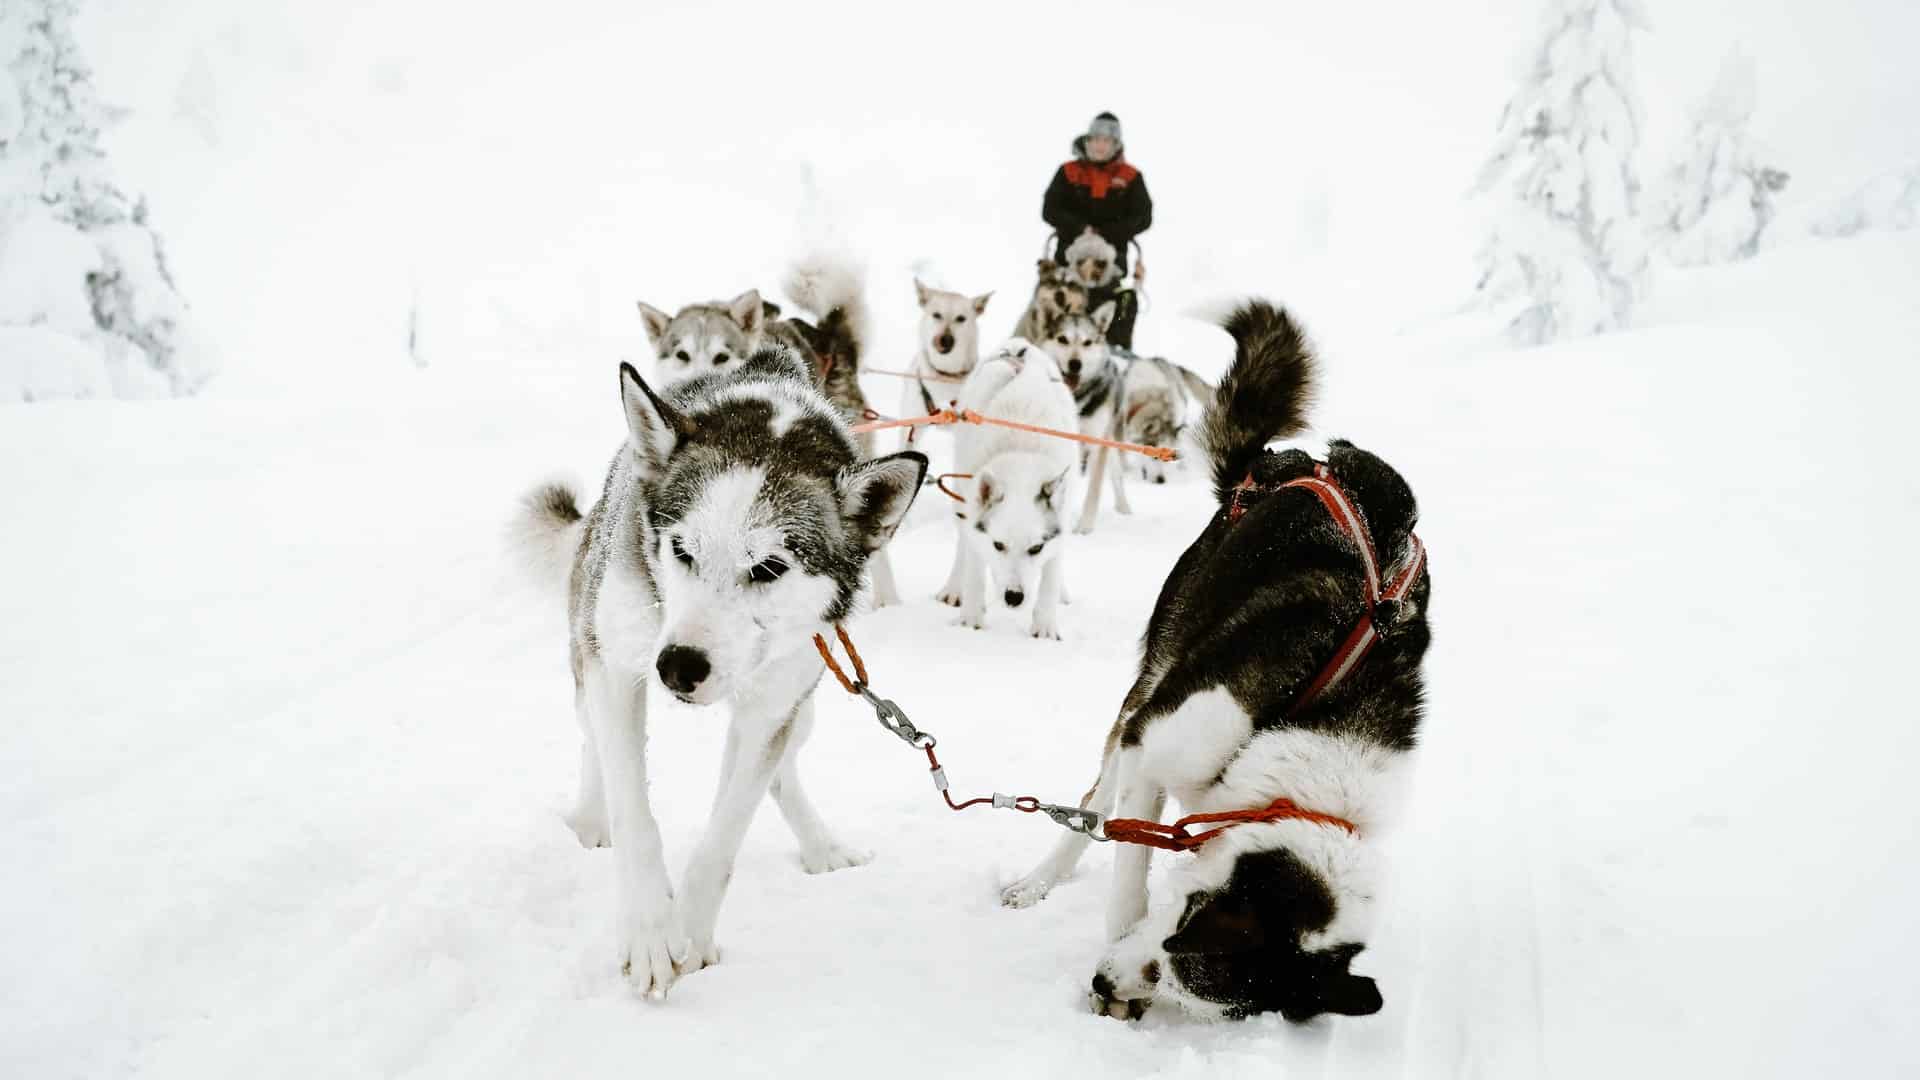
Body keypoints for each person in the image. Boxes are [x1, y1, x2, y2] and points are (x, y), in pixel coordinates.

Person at [1042, 112, 1152, 347]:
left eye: (1107, 141)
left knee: (1124, 303)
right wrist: (1080, 228)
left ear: (1116, 146)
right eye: (1096, 139)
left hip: (1113, 267)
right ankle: (1044, 352)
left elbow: (1143, 217)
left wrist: (1108, 233)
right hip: (1067, 264)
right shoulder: (1068, 172)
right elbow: (1050, 209)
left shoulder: (1130, 178)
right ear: (1087, 141)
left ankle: (1118, 353)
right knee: (1049, 302)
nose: (1100, 145)